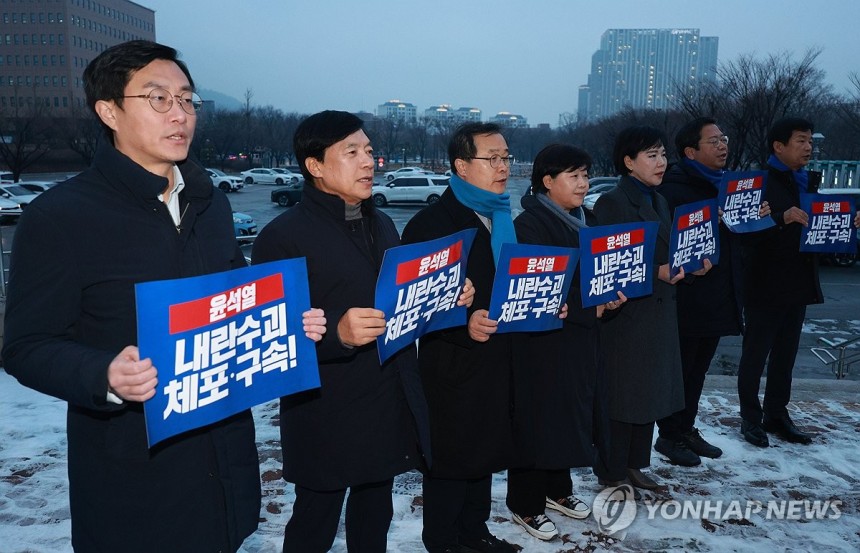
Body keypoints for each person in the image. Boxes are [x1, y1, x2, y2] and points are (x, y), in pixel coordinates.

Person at [0, 40, 324, 553]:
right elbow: (26, 345)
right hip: (134, 477)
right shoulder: (60, 217)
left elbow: (231, 301)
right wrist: (103, 374)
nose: (180, 115)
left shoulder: (209, 203)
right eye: (158, 99)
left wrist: (286, 322)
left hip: (224, 465)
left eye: (187, 100)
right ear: (108, 111)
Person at [251, 110, 472, 553]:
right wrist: (338, 333)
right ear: (315, 166)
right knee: (315, 519)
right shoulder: (283, 237)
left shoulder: (382, 223)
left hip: (387, 395)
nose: (369, 161)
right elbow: (268, 340)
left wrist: (446, 295)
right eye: (351, 152)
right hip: (325, 406)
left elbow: (399, 302)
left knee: (375, 513)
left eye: (369, 150)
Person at [401, 122, 520, 553]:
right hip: (452, 366)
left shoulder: (502, 215)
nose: (503, 166)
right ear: (461, 166)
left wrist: (542, 302)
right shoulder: (431, 225)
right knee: (453, 461)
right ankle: (444, 540)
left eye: (506, 157)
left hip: (498, 359)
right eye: (492, 158)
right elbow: (412, 305)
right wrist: (462, 321)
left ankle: (475, 533)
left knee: (485, 455)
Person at [507, 144, 622, 542]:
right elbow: (540, 292)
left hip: (581, 341)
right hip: (544, 345)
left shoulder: (585, 218)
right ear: (547, 181)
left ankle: (557, 490)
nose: (584, 183)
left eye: (586, 175)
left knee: (572, 416)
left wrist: (613, 290)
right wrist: (592, 308)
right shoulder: (531, 225)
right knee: (539, 421)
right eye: (574, 176)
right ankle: (525, 503)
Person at [591, 125, 705, 493]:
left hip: (659, 312)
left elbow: (668, 254)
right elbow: (608, 262)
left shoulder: (660, 200)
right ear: (628, 162)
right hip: (627, 314)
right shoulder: (613, 202)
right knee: (624, 396)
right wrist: (656, 272)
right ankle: (611, 469)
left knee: (648, 394)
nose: (661, 162)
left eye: (662, 154)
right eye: (651, 155)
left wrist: (691, 263)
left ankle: (635, 464)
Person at [737, 117, 860, 447]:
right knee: (755, 354)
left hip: (798, 281)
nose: (809, 147)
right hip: (764, 283)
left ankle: (776, 414)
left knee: (786, 354)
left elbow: (817, 228)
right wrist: (780, 218)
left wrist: (847, 223)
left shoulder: (807, 181)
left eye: (810, 142)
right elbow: (744, 232)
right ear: (779, 146)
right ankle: (750, 418)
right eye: (801, 141)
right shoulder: (758, 183)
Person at [654, 118, 767, 466]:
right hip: (688, 298)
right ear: (691, 151)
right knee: (681, 369)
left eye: (724, 139)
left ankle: (685, 428)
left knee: (698, 369)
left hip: (720, 294)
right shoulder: (674, 189)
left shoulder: (728, 186)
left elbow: (735, 244)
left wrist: (755, 219)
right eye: (713, 141)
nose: (723, 146)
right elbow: (668, 245)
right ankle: (670, 436)